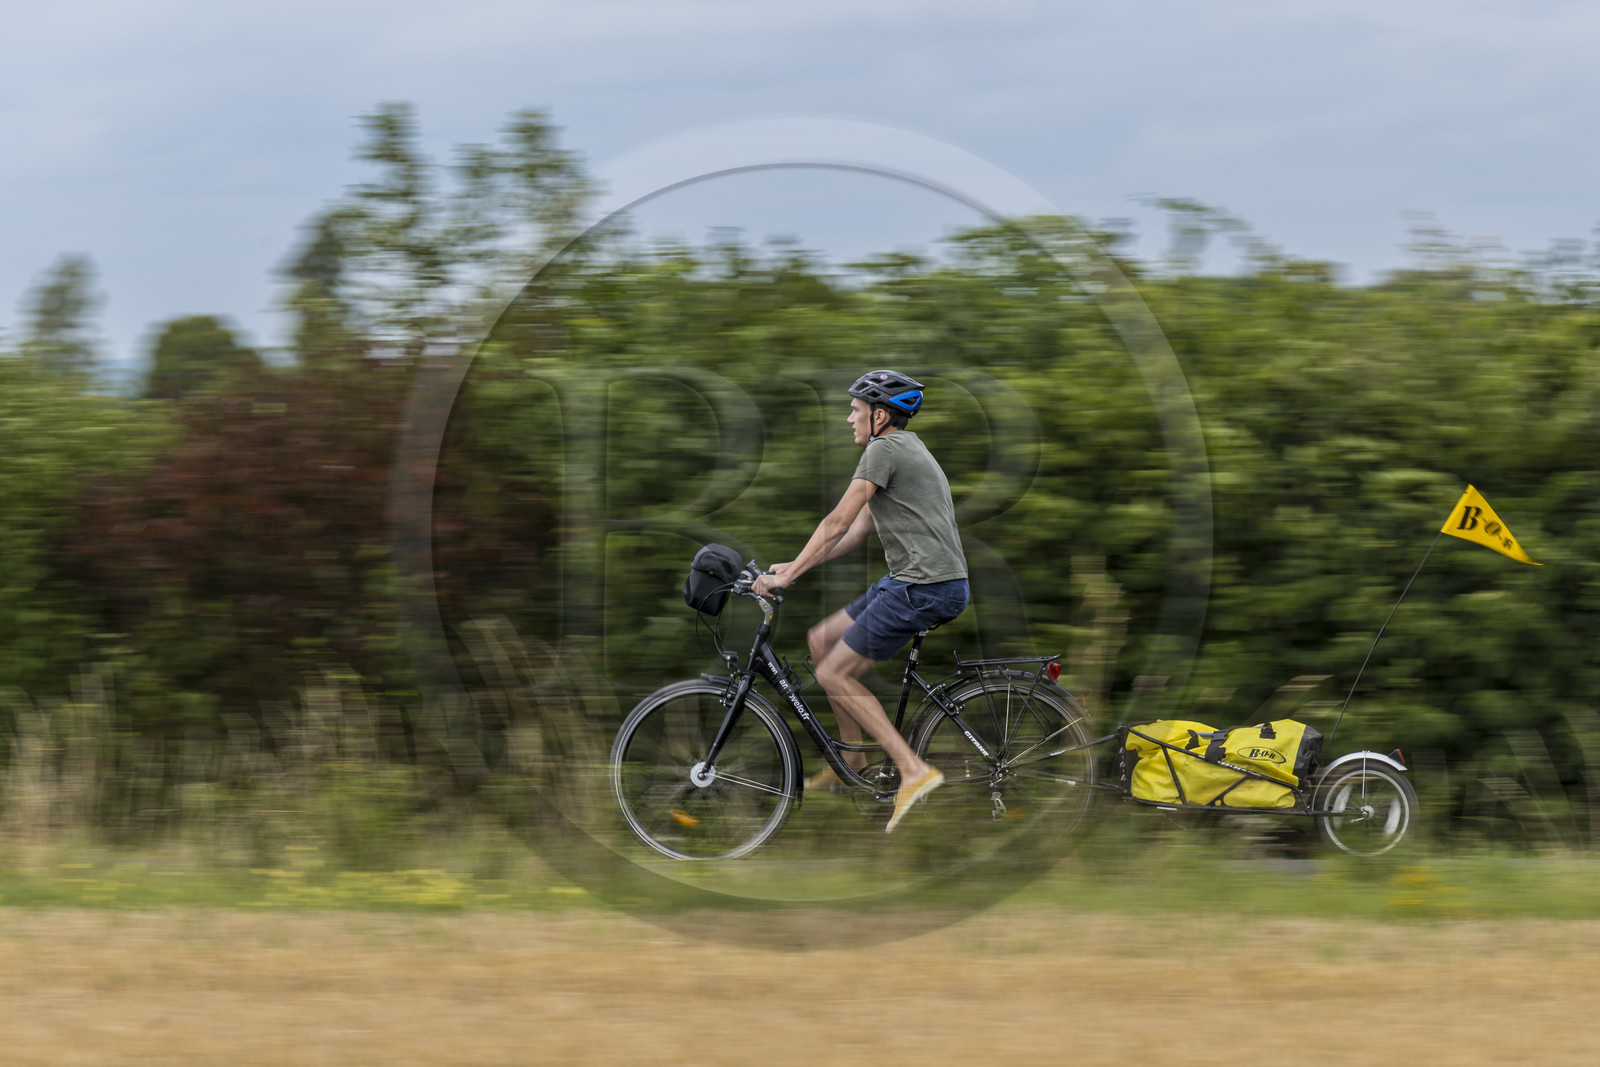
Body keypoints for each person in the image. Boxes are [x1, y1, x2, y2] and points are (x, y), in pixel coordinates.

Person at [753, 370, 970, 832]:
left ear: (880, 415)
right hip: (911, 581)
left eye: (855, 409)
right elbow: (855, 531)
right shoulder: (906, 451)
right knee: (820, 640)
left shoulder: (884, 449)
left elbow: (835, 522)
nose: (848, 417)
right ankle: (850, 758)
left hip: (923, 587)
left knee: (834, 671)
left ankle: (913, 770)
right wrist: (792, 566)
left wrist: (789, 575)